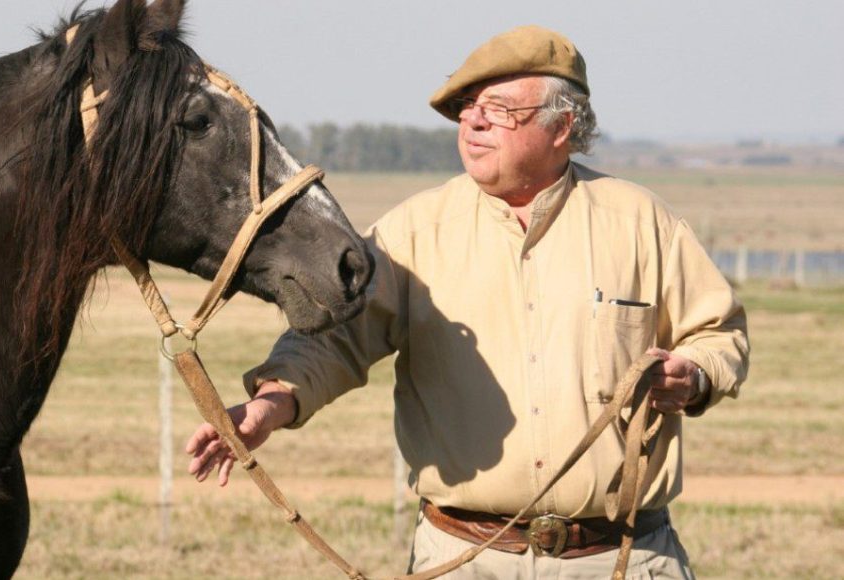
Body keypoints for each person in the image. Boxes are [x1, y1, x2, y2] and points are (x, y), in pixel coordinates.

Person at [185, 25, 749, 578]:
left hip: (622, 556)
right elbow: (334, 340)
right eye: (468, 107)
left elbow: (717, 334)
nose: (473, 120)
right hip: (463, 560)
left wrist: (695, 374)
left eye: (500, 109)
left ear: (563, 127)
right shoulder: (414, 230)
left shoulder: (641, 223)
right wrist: (270, 405)